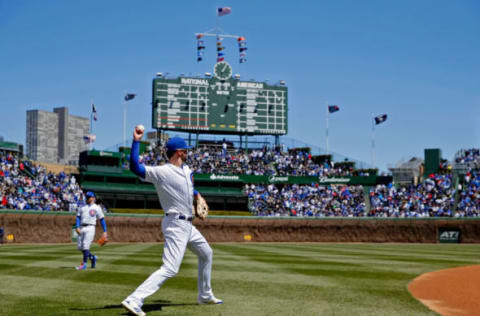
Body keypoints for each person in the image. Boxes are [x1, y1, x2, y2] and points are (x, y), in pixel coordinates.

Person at [122, 127, 222, 316]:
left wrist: (198, 196)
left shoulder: (186, 170)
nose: (188, 152)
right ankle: (134, 299)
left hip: (188, 225)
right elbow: (135, 167)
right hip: (175, 224)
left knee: (206, 253)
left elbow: (187, 187)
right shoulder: (163, 172)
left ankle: (205, 295)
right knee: (170, 268)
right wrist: (136, 141)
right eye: (185, 150)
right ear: (179, 152)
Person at [75, 191, 107, 270]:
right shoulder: (82, 207)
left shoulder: (97, 207)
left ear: (93, 198)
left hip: (90, 227)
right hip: (82, 227)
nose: (87, 198)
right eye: (87, 197)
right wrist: (77, 227)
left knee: (86, 245)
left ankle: (84, 264)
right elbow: (78, 217)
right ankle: (92, 258)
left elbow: (102, 219)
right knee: (80, 247)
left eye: (89, 197)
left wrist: (105, 231)